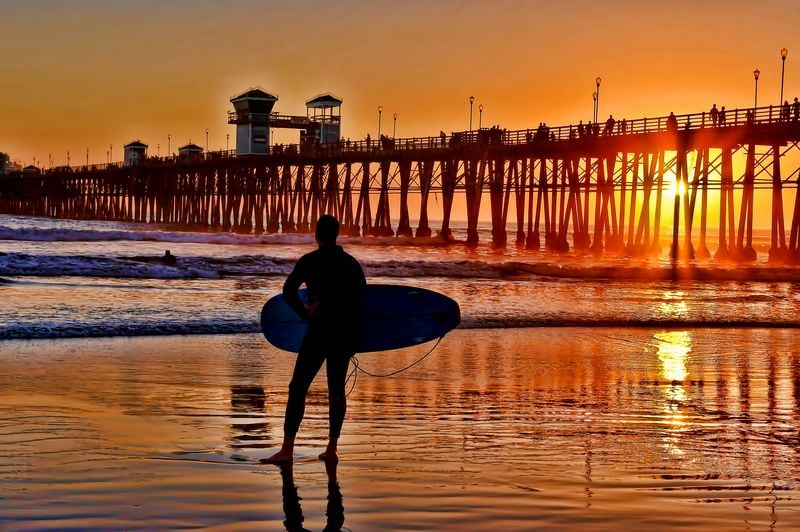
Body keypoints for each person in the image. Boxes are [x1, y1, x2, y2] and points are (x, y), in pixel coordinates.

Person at [264, 215, 366, 464]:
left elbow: (288, 291)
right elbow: (361, 299)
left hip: (319, 330)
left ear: (317, 234)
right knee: (337, 391)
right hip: (342, 333)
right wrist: (355, 336)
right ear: (337, 234)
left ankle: (287, 450)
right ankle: (332, 449)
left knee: (298, 387)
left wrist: (303, 314)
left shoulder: (310, 261)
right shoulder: (350, 263)